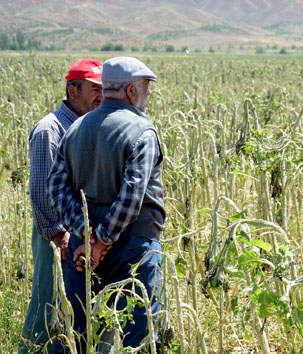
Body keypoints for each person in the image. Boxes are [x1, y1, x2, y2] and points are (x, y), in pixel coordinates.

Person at [47, 57, 165, 351]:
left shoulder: (76, 128)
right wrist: (102, 240)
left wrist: (86, 233)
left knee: (79, 330)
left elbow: (56, 187)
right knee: (136, 334)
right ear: (131, 92)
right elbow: (132, 194)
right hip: (133, 245)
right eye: (146, 89)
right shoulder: (143, 131)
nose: (147, 95)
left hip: (81, 250)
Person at [20, 59, 103, 353]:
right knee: (48, 303)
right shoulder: (50, 129)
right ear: (72, 90)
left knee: (73, 306)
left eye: (103, 90)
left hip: (79, 235)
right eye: (94, 89)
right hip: (57, 237)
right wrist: (58, 234)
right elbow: (42, 189)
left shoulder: (86, 127)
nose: (100, 97)